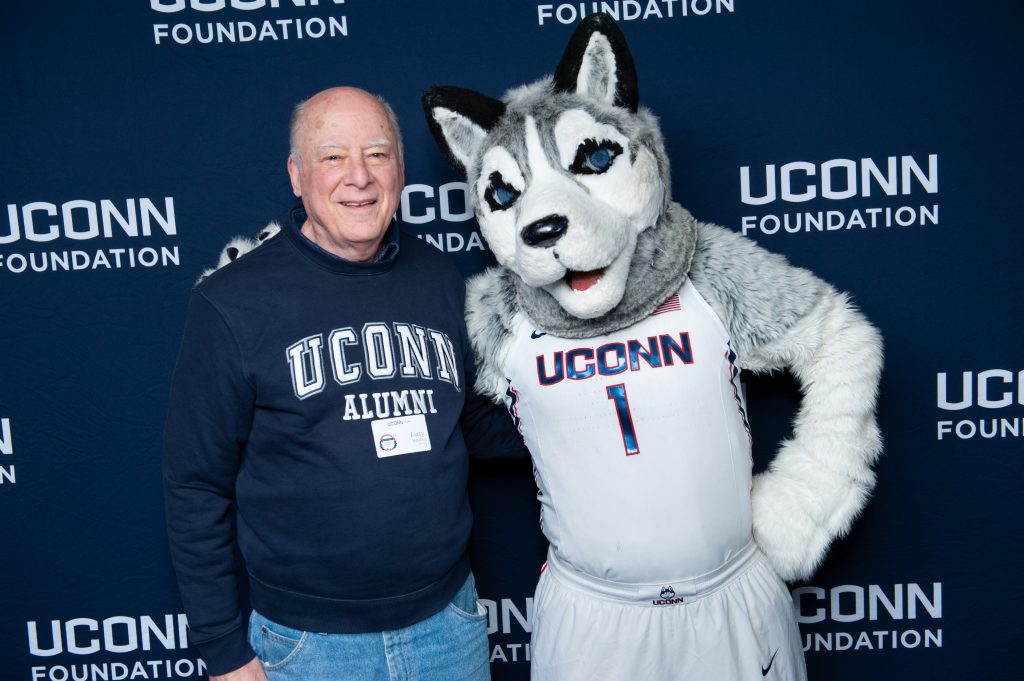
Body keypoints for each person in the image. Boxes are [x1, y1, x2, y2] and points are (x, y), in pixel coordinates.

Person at [163, 87, 521, 681]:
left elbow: (459, 415)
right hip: (309, 648)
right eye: (332, 158)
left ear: (401, 171)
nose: (358, 176)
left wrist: (574, 423)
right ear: (297, 176)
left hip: (448, 628)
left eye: (377, 155)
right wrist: (225, 652)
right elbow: (194, 485)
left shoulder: (436, 275)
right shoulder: (232, 303)